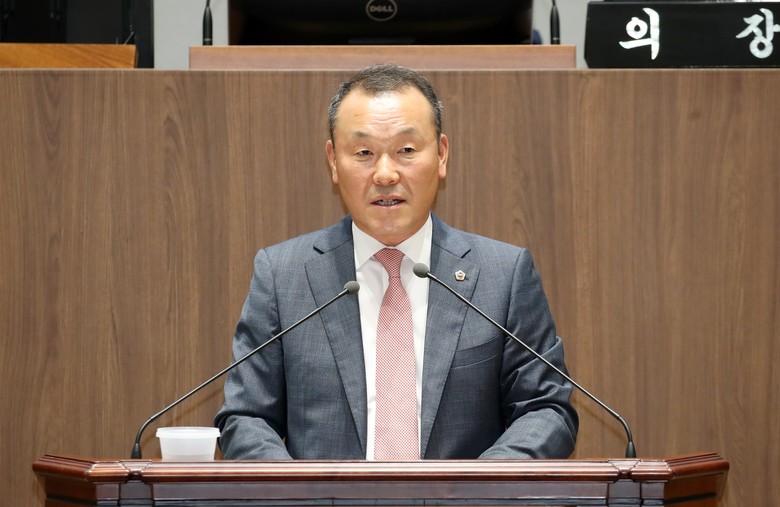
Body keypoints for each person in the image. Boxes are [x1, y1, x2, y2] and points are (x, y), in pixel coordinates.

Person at [215, 64, 578, 460]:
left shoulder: (503, 275)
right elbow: (246, 417)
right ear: (333, 161)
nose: (385, 174)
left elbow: (546, 409)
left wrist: (476, 485)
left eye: (406, 151)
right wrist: (300, 490)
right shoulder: (283, 276)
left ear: (441, 155)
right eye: (364, 153)